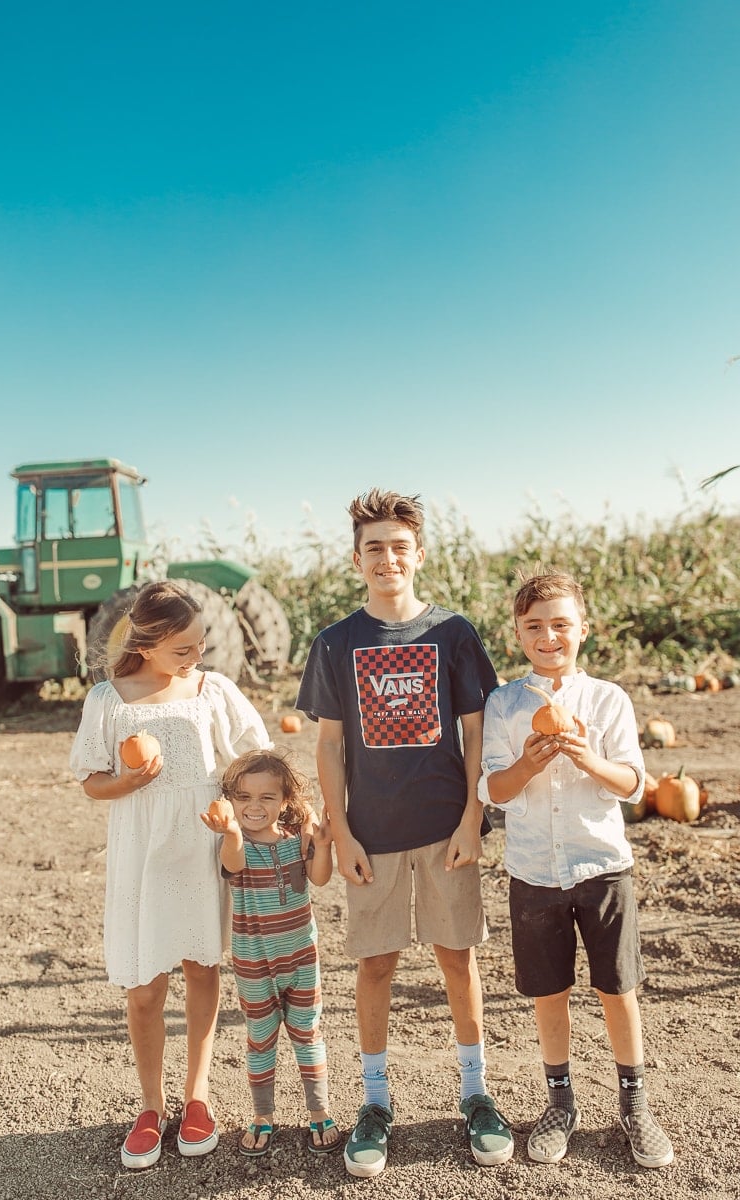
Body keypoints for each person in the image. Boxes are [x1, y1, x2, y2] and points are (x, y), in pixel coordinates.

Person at [296, 488, 513, 1178]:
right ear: (357, 560)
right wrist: (342, 831)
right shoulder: (336, 643)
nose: (387, 558)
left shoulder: (452, 634)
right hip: (374, 835)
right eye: (373, 548)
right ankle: (376, 1102)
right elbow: (328, 747)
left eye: (399, 546)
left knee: (457, 957)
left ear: (418, 555)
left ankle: (476, 1093)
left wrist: (473, 819)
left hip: (446, 829)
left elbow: (477, 731)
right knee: (377, 965)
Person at [69, 580, 272, 1170]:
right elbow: (90, 781)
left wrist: (247, 811)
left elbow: (253, 759)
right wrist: (128, 783)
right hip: (142, 854)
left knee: (202, 969)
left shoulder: (213, 691)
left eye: (199, 645)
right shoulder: (108, 699)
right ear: (147, 644)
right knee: (144, 991)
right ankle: (151, 1107)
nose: (195, 657)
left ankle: (198, 1094)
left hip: (202, 845)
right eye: (182, 649)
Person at [478, 571, 674, 1169]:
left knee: (617, 986)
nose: (549, 636)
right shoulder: (505, 703)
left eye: (561, 624)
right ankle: (559, 1101)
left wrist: (589, 757)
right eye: (534, 627)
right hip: (534, 870)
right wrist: (526, 767)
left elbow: (635, 785)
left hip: (602, 866)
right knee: (549, 992)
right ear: (518, 634)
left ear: (583, 630)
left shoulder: (609, 699)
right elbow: (493, 790)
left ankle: (634, 1102)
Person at [201, 748, 341, 1157]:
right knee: (261, 1039)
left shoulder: (297, 839)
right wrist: (229, 831)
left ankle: (319, 1110)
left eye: (267, 798)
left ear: (285, 801)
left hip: (301, 957)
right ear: (230, 801)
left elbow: (319, 877)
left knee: (307, 1032)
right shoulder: (235, 843)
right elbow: (233, 860)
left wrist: (324, 844)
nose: (254, 806)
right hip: (255, 964)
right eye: (243, 797)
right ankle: (263, 1114)